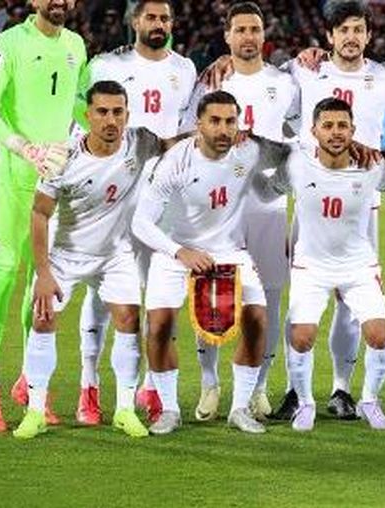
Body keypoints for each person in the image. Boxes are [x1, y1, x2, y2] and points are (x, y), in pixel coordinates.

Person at [260, 98, 385, 431]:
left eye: (342, 125)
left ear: (353, 130)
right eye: (327, 126)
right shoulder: (297, 164)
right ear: (313, 130)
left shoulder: (370, 166)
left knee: (379, 336)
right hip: (311, 268)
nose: (335, 132)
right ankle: (305, 403)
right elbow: (265, 191)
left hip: (359, 267)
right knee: (301, 337)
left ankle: (369, 401)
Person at [15, 80, 174, 439]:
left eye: (118, 112)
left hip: (116, 255)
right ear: (88, 115)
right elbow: (39, 214)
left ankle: (124, 409)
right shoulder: (62, 158)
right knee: (43, 319)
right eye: (102, 112)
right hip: (67, 255)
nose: (111, 120)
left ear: (127, 114)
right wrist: (43, 273)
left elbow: (169, 145)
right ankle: (36, 410)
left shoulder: (139, 141)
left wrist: (206, 134)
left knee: (129, 319)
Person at [130, 91, 293, 434]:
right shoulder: (175, 161)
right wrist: (181, 252)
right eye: (215, 121)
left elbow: (293, 155)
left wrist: (278, 182)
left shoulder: (249, 149)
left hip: (230, 251)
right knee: (158, 326)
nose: (223, 129)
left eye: (230, 121)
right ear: (198, 124)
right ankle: (169, 410)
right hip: (176, 251)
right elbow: (141, 223)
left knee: (257, 319)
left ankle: (239, 408)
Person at [68, 0, 198, 426]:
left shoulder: (185, 69)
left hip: (164, 198)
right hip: (114, 195)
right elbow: (81, 122)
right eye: (151, 17)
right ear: (135, 21)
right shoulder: (106, 65)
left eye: (165, 18)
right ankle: (89, 385)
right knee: (101, 292)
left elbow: (190, 129)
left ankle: (150, 387)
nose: (158, 24)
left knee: (157, 294)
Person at [178, 2, 300, 423]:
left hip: (267, 204)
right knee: (210, 291)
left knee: (270, 295)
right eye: (241, 29)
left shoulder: (284, 83)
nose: (249, 36)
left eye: (255, 29)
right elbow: (189, 132)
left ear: (264, 34)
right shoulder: (210, 81)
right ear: (227, 35)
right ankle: (209, 382)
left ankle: (259, 386)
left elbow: (300, 134)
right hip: (216, 204)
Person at [0, 0, 86, 432]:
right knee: (2, 278)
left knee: (42, 287)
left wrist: (76, 143)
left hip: (54, 184)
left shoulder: (76, 45)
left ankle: (30, 382)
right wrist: (21, 146)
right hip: (12, 181)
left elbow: (81, 106)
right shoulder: (8, 44)